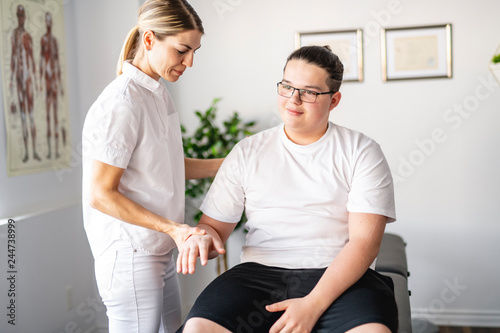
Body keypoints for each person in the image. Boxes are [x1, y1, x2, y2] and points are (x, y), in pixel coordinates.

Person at [176, 45, 398, 333]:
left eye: (309, 92)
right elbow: (213, 228)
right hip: (258, 275)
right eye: (287, 87)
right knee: (197, 328)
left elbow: (364, 243)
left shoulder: (362, 151)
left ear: (334, 100)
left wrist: (313, 304)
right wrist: (201, 238)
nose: (294, 99)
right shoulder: (247, 151)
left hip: (340, 274)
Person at [81, 1, 222, 332]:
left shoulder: (157, 93)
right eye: (182, 50)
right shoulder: (121, 103)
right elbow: (101, 194)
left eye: (194, 51)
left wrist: (231, 165)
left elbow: (167, 166)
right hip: (131, 253)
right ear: (149, 40)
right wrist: (176, 230)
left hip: (158, 249)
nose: (189, 62)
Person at [10, 4, 40, 163]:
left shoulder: (28, 36)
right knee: (23, 116)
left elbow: (32, 59)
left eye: (22, 15)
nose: (20, 18)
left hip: (27, 78)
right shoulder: (14, 35)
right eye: (18, 15)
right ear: (17, 16)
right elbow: (13, 59)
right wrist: (11, 82)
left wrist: (35, 81)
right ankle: (27, 152)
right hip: (19, 79)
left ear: (25, 17)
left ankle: (34, 150)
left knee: (31, 116)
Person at [40, 11, 64, 159]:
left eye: (50, 21)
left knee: (55, 115)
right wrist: (41, 82)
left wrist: (60, 85)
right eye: (47, 21)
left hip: (54, 81)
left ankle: (55, 150)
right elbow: (42, 61)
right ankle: (50, 151)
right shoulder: (43, 40)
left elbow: (57, 63)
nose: (49, 24)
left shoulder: (54, 41)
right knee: (48, 115)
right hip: (47, 80)